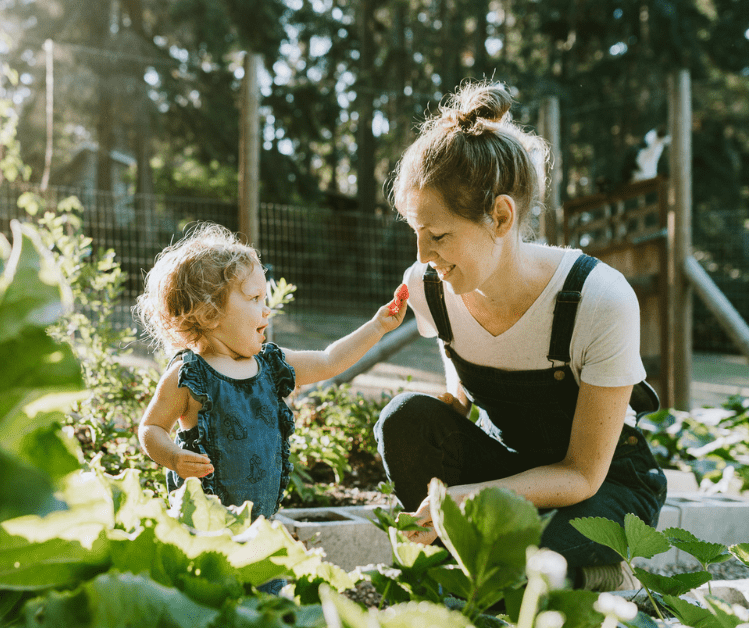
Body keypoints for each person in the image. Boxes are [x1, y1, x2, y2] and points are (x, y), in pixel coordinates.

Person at [375, 81, 667, 592]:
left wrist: (478, 498)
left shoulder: (598, 298)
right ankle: (489, 566)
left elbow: (581, 474)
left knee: (528, 543)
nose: (422, 255)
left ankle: (595, 571)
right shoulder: (431, 288)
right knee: (404, 420)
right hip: (514, 468)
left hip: (601, 489)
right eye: (415, 232)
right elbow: (463, 373)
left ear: (501, 216)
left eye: (438, 235)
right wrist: (453, 408)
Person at [136, 222, 407, 524]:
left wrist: (378, 326)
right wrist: (173, 457)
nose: (266, 310)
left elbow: (329, 361)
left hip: (259, 524)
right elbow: (151, 428)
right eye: (254, 299)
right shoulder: (189, 376)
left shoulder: (270, 365)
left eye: (265, 299)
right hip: (203, 526)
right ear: (209, 313)